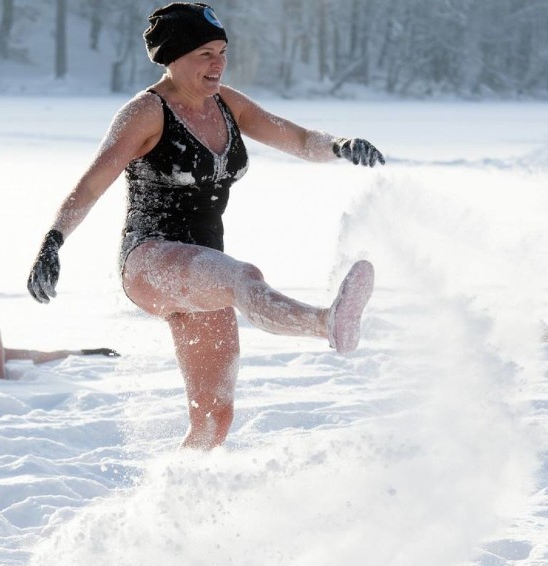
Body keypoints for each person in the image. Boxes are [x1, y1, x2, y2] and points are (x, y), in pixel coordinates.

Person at [27, 2, 384, 450]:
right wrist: (53, 242)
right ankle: (326, 323)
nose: (218, 64)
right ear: (173, 58)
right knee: (243, 277)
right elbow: (93, 181)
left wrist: (340, 145)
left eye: (222, 52)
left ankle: (172, 499)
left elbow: (296, 138)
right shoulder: (146, 112)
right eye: (204, 54)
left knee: (215, 417)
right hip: (150, 262)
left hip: (202, 276)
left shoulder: (228, 104)